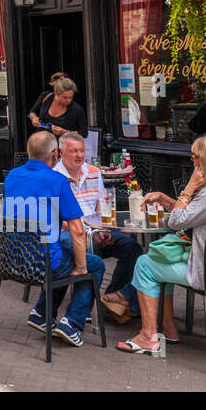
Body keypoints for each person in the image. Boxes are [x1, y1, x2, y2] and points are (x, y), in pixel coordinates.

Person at [117, 134, 206, 355]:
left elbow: (177, 222)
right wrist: (164, 198)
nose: (193, 162)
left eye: (196, 157)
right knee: (160, 260)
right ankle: (169, 329)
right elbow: (188, 216)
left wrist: (189, 187)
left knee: (144, 264)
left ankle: (148, 337)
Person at [3, 130, 105, 347]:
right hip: (43, 263)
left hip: (11, 259)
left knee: (61, 253)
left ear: (29, 152)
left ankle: (42, 314)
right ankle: (73, 323)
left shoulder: (12, 175)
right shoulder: (57, 181)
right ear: (55, 155)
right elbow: (78, 231)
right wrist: (81, 266)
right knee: (93, 265)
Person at [55, 133, 143, 324]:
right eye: (73, 151)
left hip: (97, 228)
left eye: (82, 151)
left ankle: (112, 297)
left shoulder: (94, 172)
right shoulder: (54, 177)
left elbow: (101, 205)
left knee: (133, 248)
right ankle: (86, 305)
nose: (79, 155)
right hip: (71, 234)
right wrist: (88, 233)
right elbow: (56, 218)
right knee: (89, 248)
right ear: (61, 153)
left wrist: (104, 230)